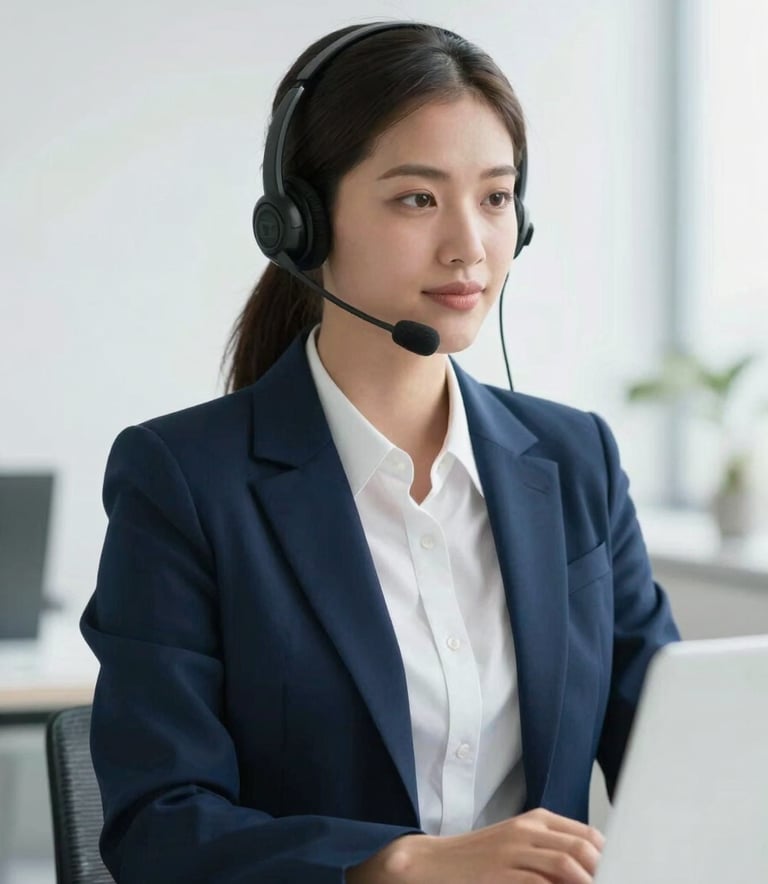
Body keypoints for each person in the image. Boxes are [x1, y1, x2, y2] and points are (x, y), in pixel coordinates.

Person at [81, 20, 680, 884]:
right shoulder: (184, 482)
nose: (469, 245)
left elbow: (675, 749)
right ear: (304, 223)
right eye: (417, 198)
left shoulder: (574, 459)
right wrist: (394, 865)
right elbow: (158, 828)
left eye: (497, 198)